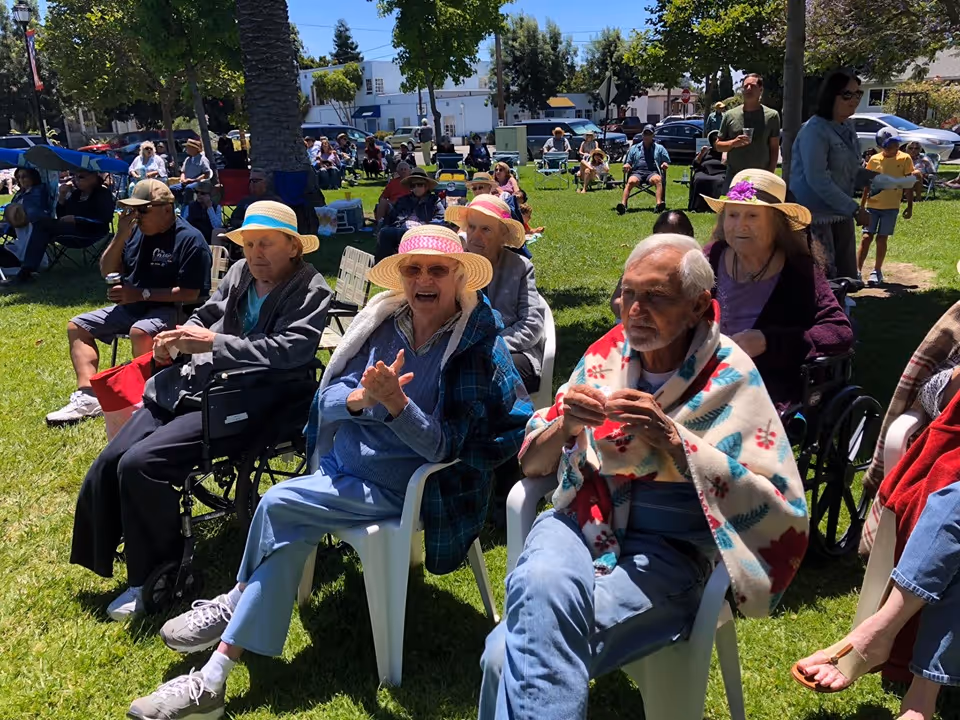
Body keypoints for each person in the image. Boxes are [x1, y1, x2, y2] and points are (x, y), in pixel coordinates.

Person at [127, 225, 532, 720]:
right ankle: (213, 678)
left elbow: (444, 446)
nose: (424, 279)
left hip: (403, 488)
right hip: (343, 472)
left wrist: (398, 406)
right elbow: (330, 396)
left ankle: (234, 602)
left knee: (277, 502)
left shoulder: (474, 349)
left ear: (459, 278)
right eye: (413, 269)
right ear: (402, 277)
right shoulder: (385, 324)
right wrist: (363, 400)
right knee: (285, 536)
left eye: (437, 270)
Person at [479, 232, 808, 720]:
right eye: (628, 293)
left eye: (656, 297)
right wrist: (567, 425)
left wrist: (675, 440)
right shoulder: (605, 354)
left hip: (669, 552)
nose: (635, 310)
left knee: (502, 655)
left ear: (698, 306)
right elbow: (532, 464)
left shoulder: (731, 375)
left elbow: (776, 502)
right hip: (578, 522)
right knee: (541, 577)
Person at [70, 200, 332, 621]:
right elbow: (206, 314)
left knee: (142, 464)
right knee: (111, 458)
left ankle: (156, 576)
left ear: (293, 246)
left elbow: (293, 351)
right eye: (249, 244)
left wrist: (215, 344)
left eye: (266, 243)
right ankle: (104, 554)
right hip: (200, 386)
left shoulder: (310, 288)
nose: (256, 253)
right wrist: (178, 337)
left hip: (257, 397)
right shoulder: (240, 272)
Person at [45, 180, 212, 426]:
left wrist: (141, 294)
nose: (136, 216)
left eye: (143, 210)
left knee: (140, 332)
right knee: (78, 326)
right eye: (132, 210)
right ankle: (88, 396)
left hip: (174, 309)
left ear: (167, 209)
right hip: (133, 306)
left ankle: (146, 399)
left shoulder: (189, 239)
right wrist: (121, 235)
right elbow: (107, 270)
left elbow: (191, 293)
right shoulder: (134, 233)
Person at [703, 169, 853, 411]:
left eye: (752, 215)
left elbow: (839, 332)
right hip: (707, 374)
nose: (740, 225)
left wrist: (768, 342)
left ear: (776, 224)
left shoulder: (798, 269)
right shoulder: (712, 257)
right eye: (733, 215)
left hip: (765, 387)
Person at [445, 195, 545, 393]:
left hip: (514, 350)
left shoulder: (520, 267)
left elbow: (532, 325)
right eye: (471, 227)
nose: (475, 236)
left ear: (502, 236)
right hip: (461, 350)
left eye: (486, 229)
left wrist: (492, 345)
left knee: (478, 372)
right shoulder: (454, 266)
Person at [789, 69, 869, 280]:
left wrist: (881, 180)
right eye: (847, 94)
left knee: (844, 281)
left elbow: (850, 169)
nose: (854, 100)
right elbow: (817, 179)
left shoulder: (847, 126)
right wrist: (854, 209)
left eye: (858, 94)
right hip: (815, 218)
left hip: (840, 213)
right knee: (824, 281)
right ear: (831, 95)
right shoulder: (814, 130)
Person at [14, 169, 116, 282]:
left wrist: (77, 219)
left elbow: (104, 218)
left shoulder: (103, 194)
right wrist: (62, 198)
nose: (76, 180)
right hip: (73, 229)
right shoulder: (76, 194)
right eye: (75, 177)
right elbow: (63, 216)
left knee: (42, 226)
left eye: (81, 177)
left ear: (94, 177)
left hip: (92, 232)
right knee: (42, 225)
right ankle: (27, 268)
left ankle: (27, 269)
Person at [610, 210, 695, 317]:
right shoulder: (641, 262)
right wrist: (635, 311)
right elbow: (615, 301)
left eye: (673, 238)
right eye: (660, 238)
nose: (667, 244)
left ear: (689, 236)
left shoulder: (693, 268)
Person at [858, 127, 915, 286]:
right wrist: (862, 207)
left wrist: (909, 206)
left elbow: (909, 184)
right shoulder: (874, 160)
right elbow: (867, 185)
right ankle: (857, 271)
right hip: (872, 206)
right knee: (866, 237)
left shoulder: (905, 159)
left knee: (882, 238)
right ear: (881, 146)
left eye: (896, 145)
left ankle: (877, 271)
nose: (893, 149)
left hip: (891, 207)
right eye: (889, 146)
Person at [715, 74, 781, 190]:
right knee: (729, 202)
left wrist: (770, 174)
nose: (749, 89)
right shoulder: (730, 115)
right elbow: (718, 146)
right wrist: (733, 143)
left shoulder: (772, 116)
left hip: (760, 178)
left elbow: (774, 149)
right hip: (734, 177)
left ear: (760, 90)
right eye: (746, 86)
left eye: (753, 86)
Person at [374, 167, 446, 262]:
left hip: (425, 233)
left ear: (426, 186)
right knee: (385, 232)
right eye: (413, 186)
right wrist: (401, 224)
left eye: (419, 185)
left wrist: (424, 225)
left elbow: (441, 219)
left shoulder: (434, 201)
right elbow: (392, 217)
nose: (416, 188)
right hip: (403, 231)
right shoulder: (403, 200)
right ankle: (382, 266)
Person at [211, 169, 281, 261]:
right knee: (217, 232)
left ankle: (249, 265)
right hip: (241, 230)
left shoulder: (274, 201)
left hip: (262, 233)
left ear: (265, 183)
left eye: (255, 181)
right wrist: (242, 224)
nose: (252, 184)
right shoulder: (245, 200)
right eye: (250, 181)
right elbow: (234, 218)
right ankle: (215, 265)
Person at [617, 125, 670, 215]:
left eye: (649, 134)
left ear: (653, 135)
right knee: (631, 181)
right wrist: (627, 165)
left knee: (657, 180)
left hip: (652, 172)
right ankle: (623, 205)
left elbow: (665, 160)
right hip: (637, 172)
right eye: (645, 134)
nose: (646, 136)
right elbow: (628, 162)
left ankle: (659, 205)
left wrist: (664, 164)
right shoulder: (634, 148)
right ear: (642, 135)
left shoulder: (659, 148)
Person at [688, 130, 726, 212]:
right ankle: (697, 206)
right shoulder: (706, 151)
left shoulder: (725, 152)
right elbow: (695, 164)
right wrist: (701, 153)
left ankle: (716, 207)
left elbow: (726, 163)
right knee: (699, 179)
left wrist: (725, 152)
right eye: (714, 140)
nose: (716, 142)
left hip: (720, 172)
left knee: (719, 181)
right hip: (704, 171)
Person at [170, 138, 213, 204]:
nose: (186, 149)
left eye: (188, 147)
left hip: (198, 183)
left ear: (194, 149)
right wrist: (182, 179)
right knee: (172, 188)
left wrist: (193, 180)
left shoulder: (203, 159)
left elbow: (207, 174)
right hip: (186, 182)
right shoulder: (187, 159)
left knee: (188, 188)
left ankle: (187, 206)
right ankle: (180, 204)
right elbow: (183, 172)